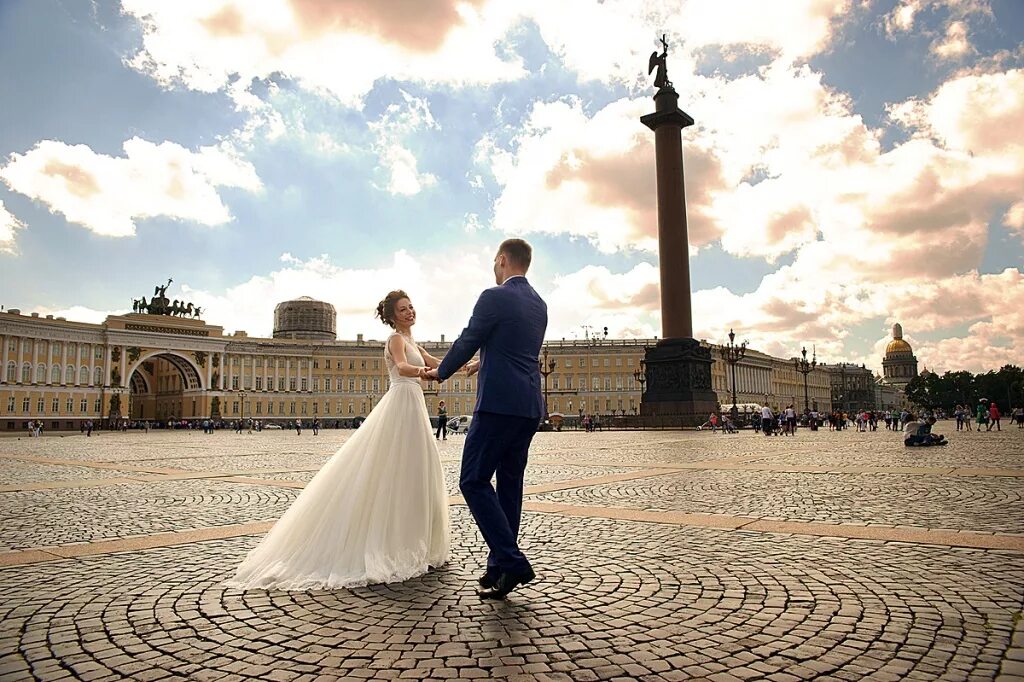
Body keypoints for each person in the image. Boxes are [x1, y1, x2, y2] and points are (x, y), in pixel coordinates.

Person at [227, 290, 450, 590]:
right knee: (394, 469)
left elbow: (443, 363)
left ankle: (416, 538)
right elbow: (402, 367)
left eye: (411, 307)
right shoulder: (396, 340)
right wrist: (425, 372)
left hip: (414, 406)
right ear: (393, 315)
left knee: (418, 468)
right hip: (401, 401)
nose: (409, 312)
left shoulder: (415, 344)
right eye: (403, 309)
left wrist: (471, 365)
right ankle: (390, 541)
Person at [425, 238, 547, 600]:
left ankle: (512, 561)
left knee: (473, 480)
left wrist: (441, 372)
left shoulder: (493, 297)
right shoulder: (539, 304)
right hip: (528, 405)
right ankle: (499, 570)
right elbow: (514, 347)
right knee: (510, 486)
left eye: (495, 264)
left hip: (497, 405)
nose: (494, 270)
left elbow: (469, 337)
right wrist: (483, 361)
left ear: (503, 260)